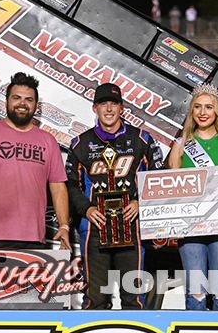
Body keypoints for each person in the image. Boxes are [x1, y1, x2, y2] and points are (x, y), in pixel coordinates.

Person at [66, 83, 164, 309]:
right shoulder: (80, 144)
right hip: (94, 229)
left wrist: (140, 202)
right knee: (95, 299)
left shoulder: (142, 140)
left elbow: (158, 177)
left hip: (131, 227)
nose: (108, 109)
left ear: (122, 108)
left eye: (114, 104)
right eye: (103, 104)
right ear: (94, 109)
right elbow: (70, 184)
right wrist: (87, 209)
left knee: (134, 297)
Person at [0, 72, 71, 251]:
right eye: (16, 98)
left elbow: (58, 187)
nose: (22, 104)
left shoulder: (48, 140)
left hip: (33, 238)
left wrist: (64, 226)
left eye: (29, 99)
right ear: (7, 101)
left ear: (36, 105)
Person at [168, 83, 218, 311]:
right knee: (197, 291)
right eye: (198, 107)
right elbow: (170, 190)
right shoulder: (181, 146)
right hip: (190, 227)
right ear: (191, 111)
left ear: (217, 111)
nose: (203, 112)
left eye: (209, 107)